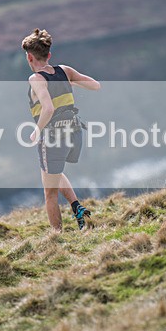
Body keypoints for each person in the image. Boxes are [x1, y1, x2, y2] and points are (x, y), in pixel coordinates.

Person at [22, 28, 101, 232]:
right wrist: (69, 82)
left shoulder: (36, 79)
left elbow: (48, 108)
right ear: (48, 55)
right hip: (74, 134)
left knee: (49, 194)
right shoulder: (64, 71)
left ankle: (56, 237)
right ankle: (78, 208)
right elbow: (95, 86)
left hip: (53, 137)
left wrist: (36, 131)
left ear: (29, 57)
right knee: (52, 172)